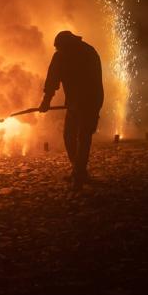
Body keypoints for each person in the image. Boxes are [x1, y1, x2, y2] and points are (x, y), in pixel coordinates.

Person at [39, 30, 104, 190]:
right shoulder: (61, 56)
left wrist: (88, 105)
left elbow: (94, 81)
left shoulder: (88, 53)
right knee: (68, 136)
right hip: (74, 104)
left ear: (69, 45)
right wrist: (46, 101)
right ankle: (78, 170)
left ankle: (79, 174)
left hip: (90, 102)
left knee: (83, 137)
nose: (57, 50)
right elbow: (52, 80)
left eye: (60, 47)